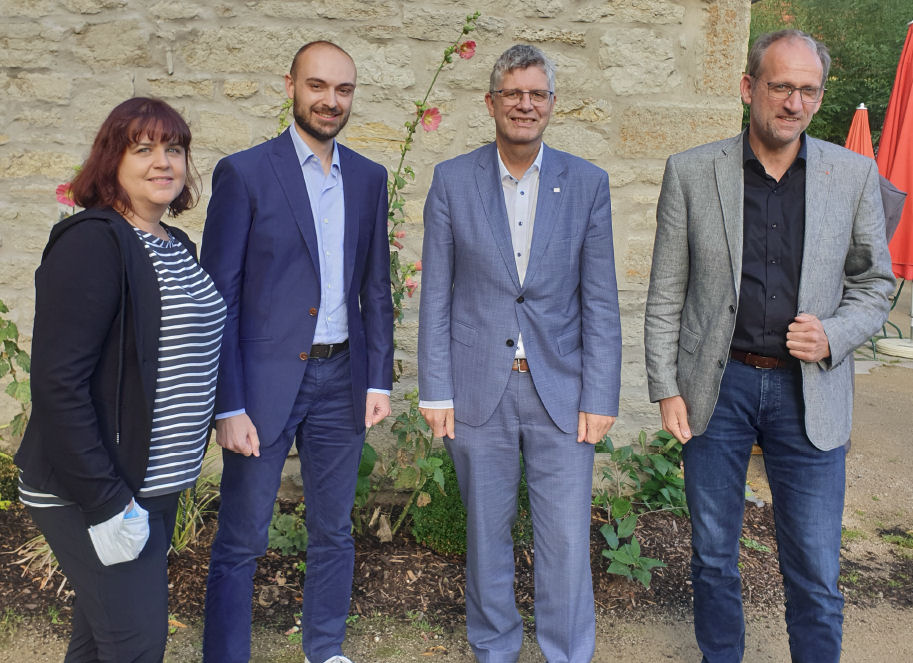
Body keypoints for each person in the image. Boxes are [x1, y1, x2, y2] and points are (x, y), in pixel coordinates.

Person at [644, 29, 894, 663]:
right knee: (713, 555)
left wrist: (833, 334)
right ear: (748, 87)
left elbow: (875, 285)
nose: (794, 102)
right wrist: (666, 386)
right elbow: (666, 291)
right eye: (781, 86)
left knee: (813, 565)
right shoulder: (693, 173)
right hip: (717, 387)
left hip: (808, 391)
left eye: (807, 90)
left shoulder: (853, 174)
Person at [418, 44, 621, 663]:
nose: (525, 105)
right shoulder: (452, 180)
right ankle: (495, 648)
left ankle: (567, 652)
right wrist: (435, 390)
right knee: (486, 538)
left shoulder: (587, 184)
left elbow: (601, 300)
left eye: (537, 94)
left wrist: (601, 394)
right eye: (513, 93)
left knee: (564, 542)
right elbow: (436, 297)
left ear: (552, 105)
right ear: (491, 103)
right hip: (480, 389)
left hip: (562, 391)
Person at [200, 41, 393, 663]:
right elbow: (218, 296)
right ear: (290, 86)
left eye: (343, 90)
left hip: (342, 379)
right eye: (318, 86)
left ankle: (325, 650)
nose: (330, 100)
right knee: (242, 538)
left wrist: (378, 380)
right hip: (262, 385)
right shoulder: (246, 173)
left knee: (334, 531)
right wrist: (226, 403)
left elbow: (376, 289)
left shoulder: (368, 178)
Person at [14, 97, 226, 661]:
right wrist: (106, 501)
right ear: (113, 161)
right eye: (144, 149)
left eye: (174, 149)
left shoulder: (175, 246)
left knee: (98, 636)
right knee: (135, 643)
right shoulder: (92, 243)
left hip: (153, 484)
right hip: (94, 489)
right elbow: (58, 383)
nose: (164, 162)